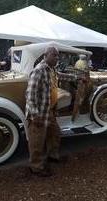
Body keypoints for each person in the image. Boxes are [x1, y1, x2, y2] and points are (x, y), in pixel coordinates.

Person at [26, 46, 81, 177]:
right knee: (37, 141)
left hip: (49, 111)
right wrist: (35, 115)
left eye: (58, 56)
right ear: (46, 55)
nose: (57, 58)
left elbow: (60, 76)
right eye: (54, 55)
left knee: (55, 134)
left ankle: (52, 156)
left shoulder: (51, 69)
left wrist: (76, 78)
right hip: (39, 113)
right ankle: (36, 167)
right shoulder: (39, 71)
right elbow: (29, 94)